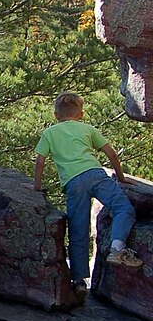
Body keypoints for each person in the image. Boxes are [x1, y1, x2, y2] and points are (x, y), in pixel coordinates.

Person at [33, 90, 142, 301]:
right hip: (95, 175)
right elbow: (111, 153)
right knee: (123, 209)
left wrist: (37, 187)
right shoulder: (88, 129)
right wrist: (120, 177)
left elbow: (40, 161)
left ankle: (79, 281)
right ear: (80, 114)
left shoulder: (50, 133)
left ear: (56, 115)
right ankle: (117, 248)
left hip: (73, 184)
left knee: (77, 231)